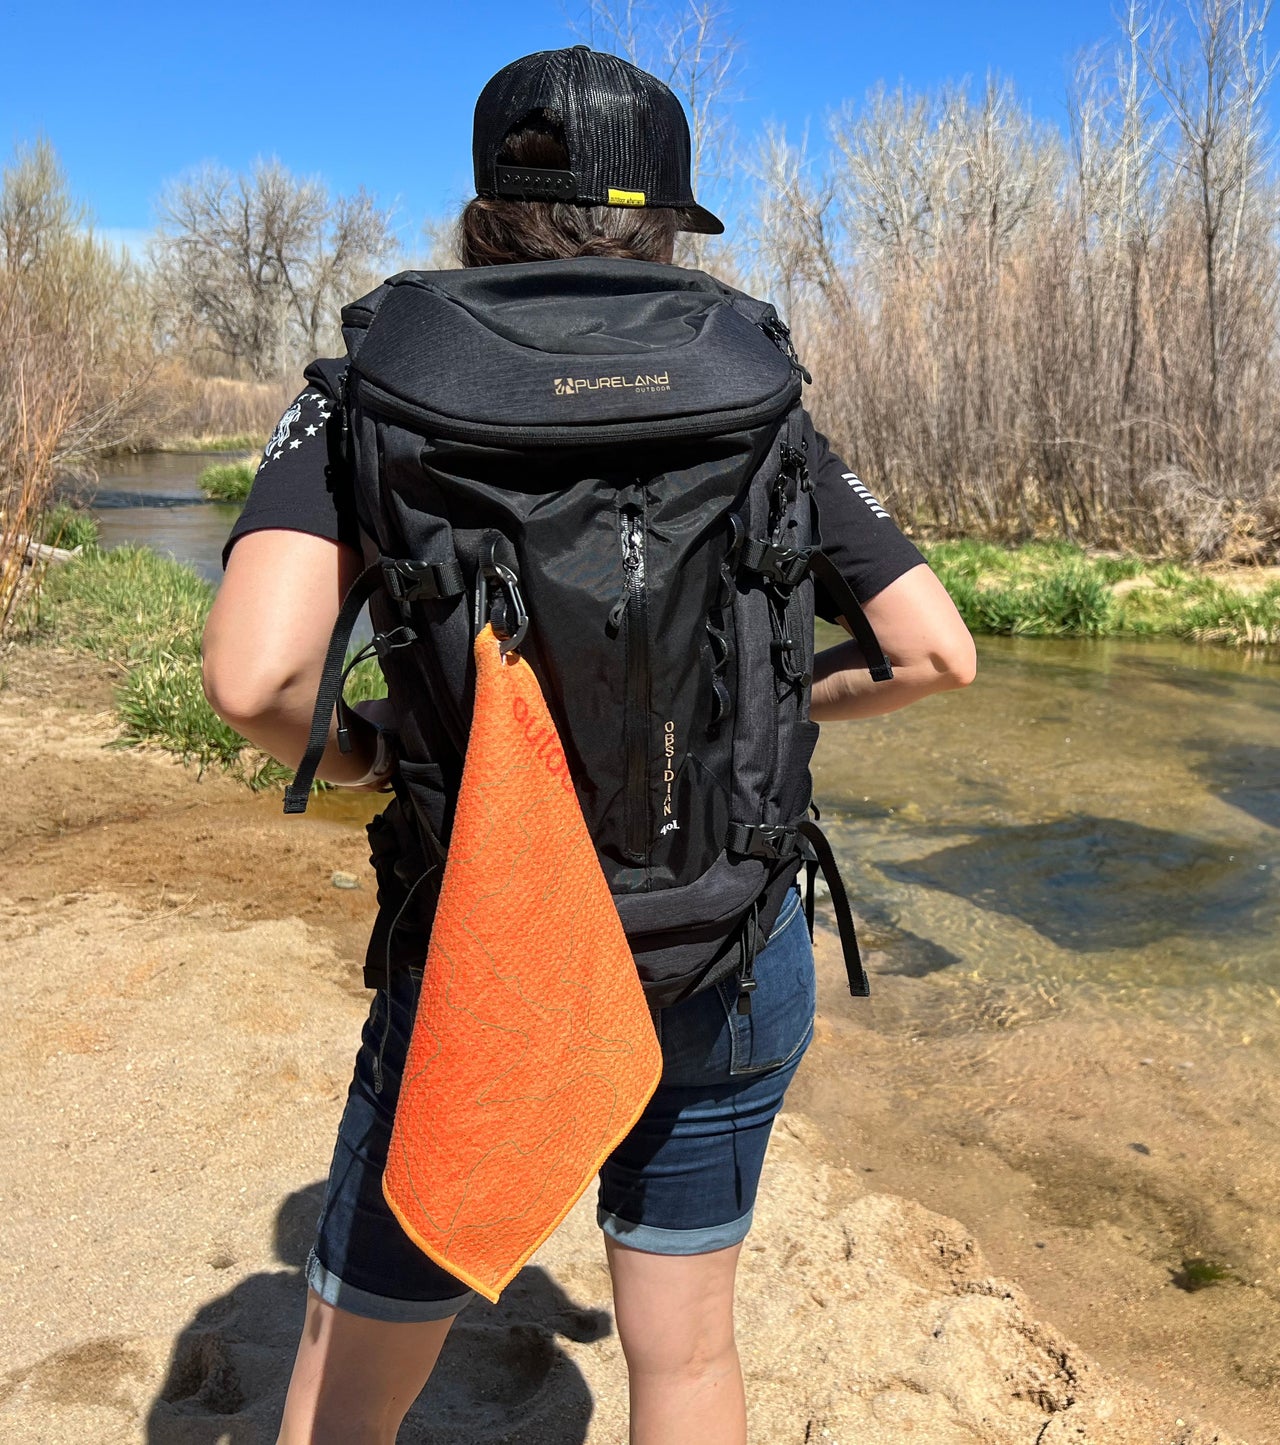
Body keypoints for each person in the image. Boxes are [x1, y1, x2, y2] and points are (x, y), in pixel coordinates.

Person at [202, 45, 976, 1445]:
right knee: (681, 1363)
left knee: (345, 1406)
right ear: (666, 216)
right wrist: (782, 708)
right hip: (727, 936)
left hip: (483, 948)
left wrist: (377, 756)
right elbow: (935, 651)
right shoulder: (759, 391)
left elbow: (257, 680)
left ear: (486, 205)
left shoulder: (371, 379)